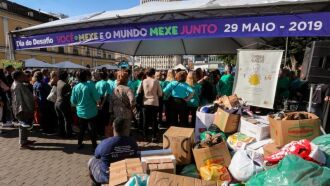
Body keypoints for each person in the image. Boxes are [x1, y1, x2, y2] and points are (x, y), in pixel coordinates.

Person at [88, 117, 138, 185]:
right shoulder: (133, 142)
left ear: (113, 127)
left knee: (92, 160)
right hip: (127, 174)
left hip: (108, 176)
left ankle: (96, 183)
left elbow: (96, 155)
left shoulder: (105, 143)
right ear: (126, 129)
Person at [71, 70, 100, 150]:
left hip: (80, 112)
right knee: (92, 129)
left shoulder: (75, 87)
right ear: (86, 76)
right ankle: (94, 146)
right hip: (92, 112)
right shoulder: (91, 85)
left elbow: (73, 102)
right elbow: (97, 99)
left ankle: (79, 144)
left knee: (82, 129)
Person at [11, 71, 35, 149]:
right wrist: (33, 101)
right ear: (18, 77)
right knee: (23, 125)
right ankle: (23, 142)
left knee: (23, 125)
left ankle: (24, 140)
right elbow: (27, 98)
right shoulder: (20, 86)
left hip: (18, 107)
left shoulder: (15, 84)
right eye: (23, 75)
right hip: (23, 108)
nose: (24, 76)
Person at [137, 68, 162, 142]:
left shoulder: (143, 81)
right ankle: (153, 136)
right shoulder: (156, 81)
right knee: (154, 120)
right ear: (153, 73)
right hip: (154, 102)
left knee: (145, 120)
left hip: (145, 102)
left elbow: (138, 91)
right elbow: (160, 93)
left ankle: (145, 136)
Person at [55, 71, 73, 138]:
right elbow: (68, 95)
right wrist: (71, 88)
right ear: (66, 77)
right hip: (63, 103)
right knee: (67, 119)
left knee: (60, 119)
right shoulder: (66, 85)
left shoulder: (58, 82)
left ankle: (61, 133)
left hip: (57, 103)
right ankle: (68, 134)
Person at [95, 71, 111, 136]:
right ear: (106, 77)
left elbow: (95, 94)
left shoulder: (97, 83)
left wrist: (97, 103)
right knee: (105, 117)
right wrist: (102, 104)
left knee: (98, 116)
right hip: (104, 101)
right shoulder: (107, 84)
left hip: (98, 100)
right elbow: (106, 95)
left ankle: (98, 131)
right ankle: (103, 132)